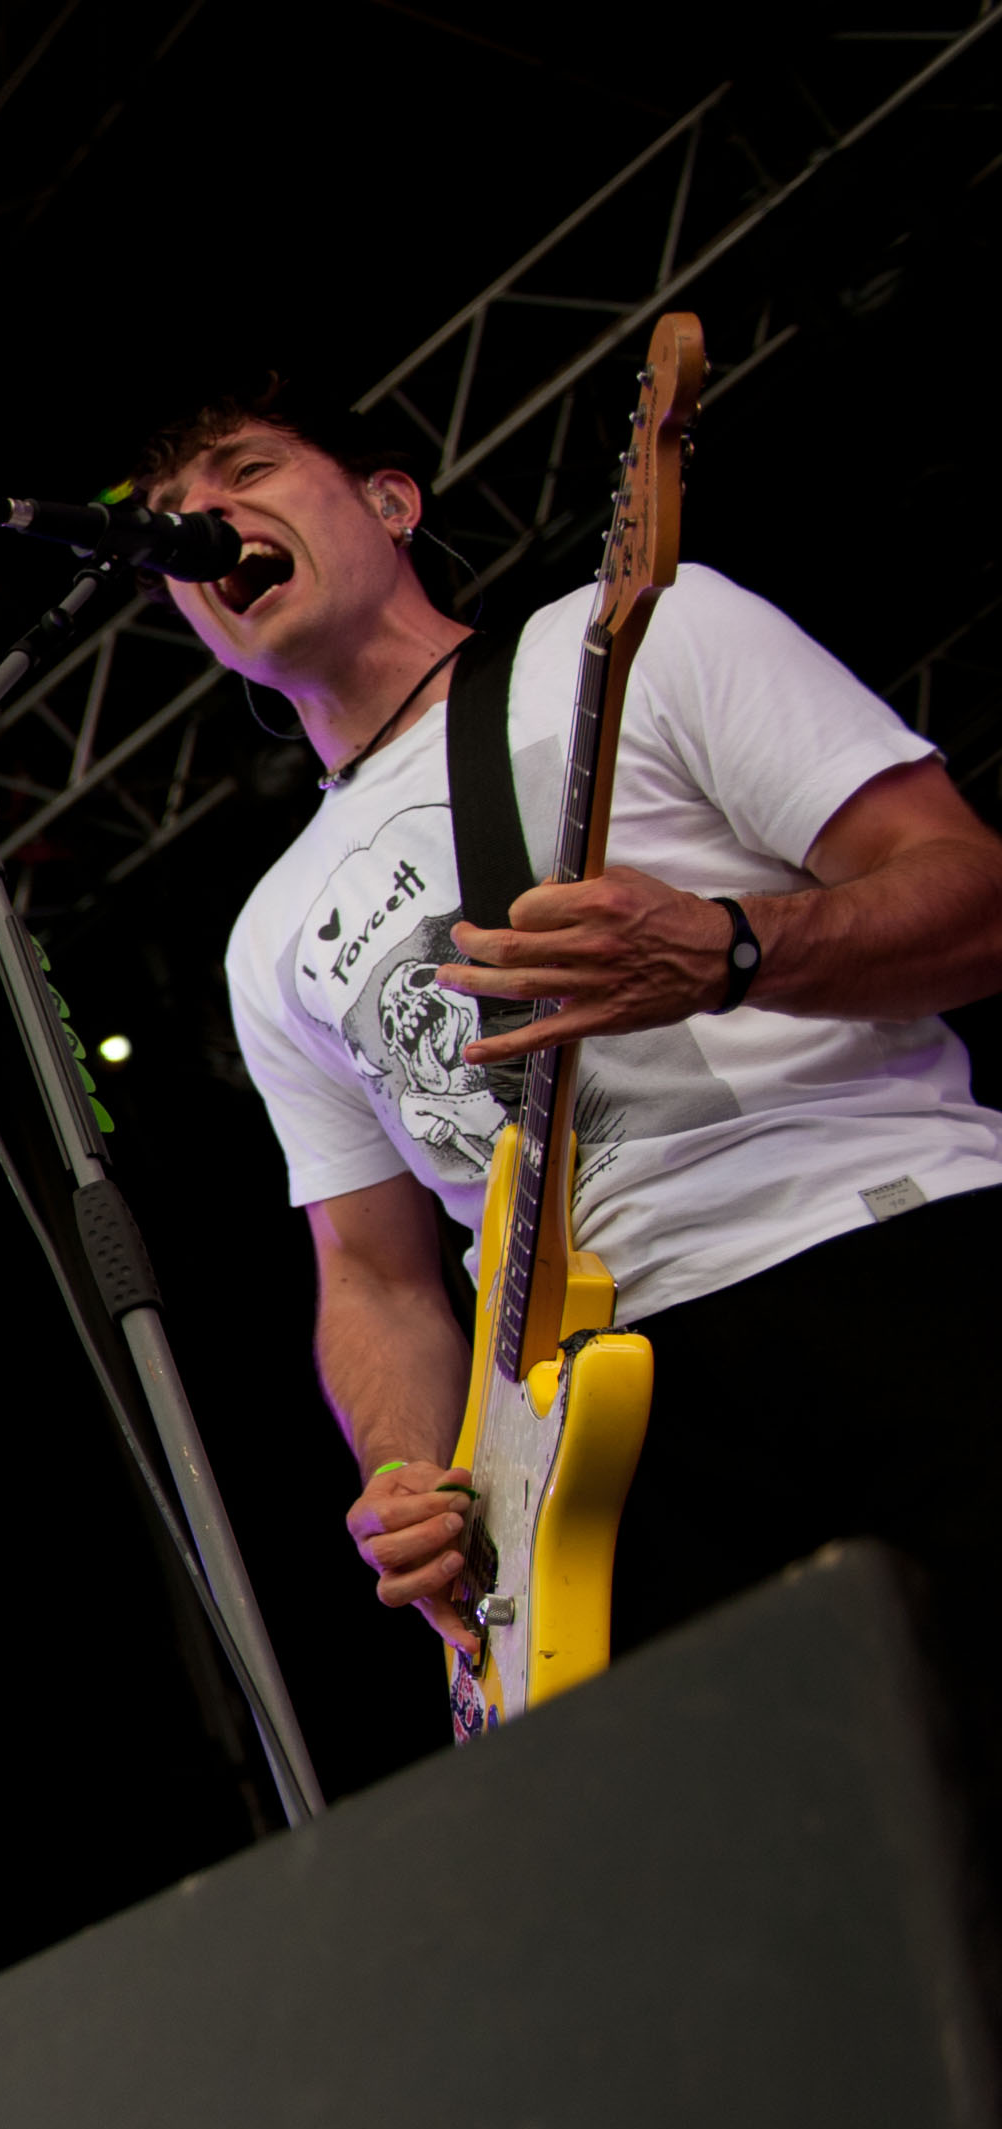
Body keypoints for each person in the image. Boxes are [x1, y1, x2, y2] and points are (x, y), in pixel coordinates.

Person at [138, 382, 1002, 1681]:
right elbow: (374, 1273)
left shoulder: (640, 636)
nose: (199, 517)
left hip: (872, 1253)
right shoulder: (268, 934)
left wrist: (730, 949)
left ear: (390, 501)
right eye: (168, 516)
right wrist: (406, 1473)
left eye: (245, 471)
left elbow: (976, 899)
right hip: (591, 1451)